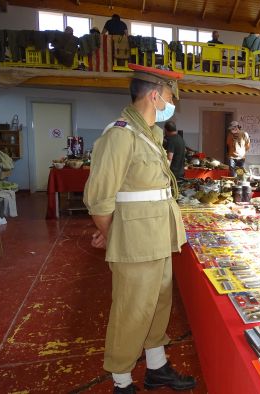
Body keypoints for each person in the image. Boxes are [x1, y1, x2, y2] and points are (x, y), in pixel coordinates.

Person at [83, 64, 196, 394]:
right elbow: (99, 198)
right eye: (170, 96)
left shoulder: (150, 134)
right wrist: (111, 233)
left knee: (158, 305)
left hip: (158, 235)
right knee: (131, 310)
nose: (172, 102)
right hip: (135, 241)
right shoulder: (119, 135)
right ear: (155, 95)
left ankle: (157, 366)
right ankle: (121, 381)